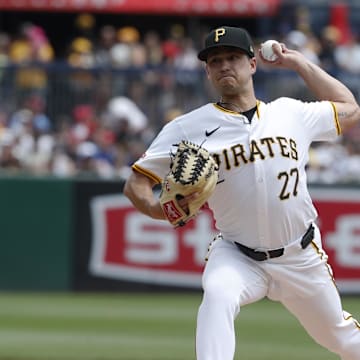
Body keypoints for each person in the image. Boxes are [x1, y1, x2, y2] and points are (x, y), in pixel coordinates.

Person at [123, 26, 360, 359]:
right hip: (238, 254)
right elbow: (135, 184)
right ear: (207, 71)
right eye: (215, 60)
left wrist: (299, 63)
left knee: (341, 338)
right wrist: (163, 210)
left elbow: (349, 108)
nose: (224, 66)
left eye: (233, 57)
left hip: (300, 256)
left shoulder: (290, 114)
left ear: (252, 64)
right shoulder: (185, 128)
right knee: (218, 295)